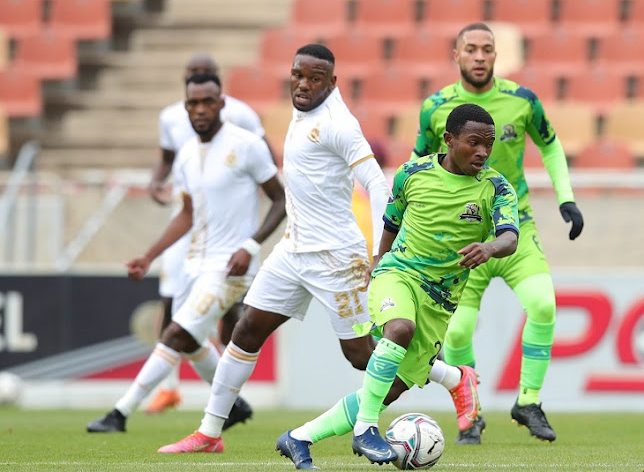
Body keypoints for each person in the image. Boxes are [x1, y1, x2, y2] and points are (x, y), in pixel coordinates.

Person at [157, 44, 482, 455]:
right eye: (297, 75)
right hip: (293, 249)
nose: (303, 84)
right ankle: (209, 433)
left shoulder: (338, 124)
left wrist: (382, 254)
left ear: (332, 82)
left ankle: (453, 377)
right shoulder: (302, 108)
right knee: (246, 330)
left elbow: (378, 185)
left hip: (336, 258)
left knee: (362, 356)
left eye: (314, 78)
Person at [276, 103, 519, 470]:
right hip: (399, 274)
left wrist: (488, 247)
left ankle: (299, 437)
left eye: (489, 144)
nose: (483, 152)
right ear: (449, 140)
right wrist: (378, 263)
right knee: (399, 328)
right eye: (474, 143)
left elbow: (510, 238)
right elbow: (391, 221)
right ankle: (366, 429)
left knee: (389, 389)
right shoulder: (412, 173)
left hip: (440, 300)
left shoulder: (497, 188)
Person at [86, 72, 286, 433]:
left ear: (222, 104)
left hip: (230, 267)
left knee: (175, 333)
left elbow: (279, 199)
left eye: (208, 101)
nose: (200, 109)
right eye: (193, 103)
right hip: (194, 262)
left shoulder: (246, 144)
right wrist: (149, 256)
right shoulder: (187, 154)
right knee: (191, 340)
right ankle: (233, 405)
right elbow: (186, 214)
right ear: (185, 106)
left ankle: (119, 413)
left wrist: (251, 245)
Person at [413, 22, 585, 444]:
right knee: (455, 332)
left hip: (515, 229)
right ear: (456, 55)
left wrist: (566, 197)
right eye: (469, 49)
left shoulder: (522, 100)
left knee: (543, 304)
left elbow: (551, 145)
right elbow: (417, 168)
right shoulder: (435, 107)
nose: (478, 56)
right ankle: (469, 413)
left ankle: (528, 401)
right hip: (462, 237)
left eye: (486, 49)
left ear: (495, 55)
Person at [145, 53, 275, 414]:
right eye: (193, 78)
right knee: (173, 304)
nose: (200, 86)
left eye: (208, 79)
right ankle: (170, 387)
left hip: (229, 231)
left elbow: (266, 162)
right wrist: (156, 183)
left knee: (226, 318)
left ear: (220, 88)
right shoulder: (171, 117)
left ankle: (225, 395)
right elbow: (166, 160)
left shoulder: (243, 116)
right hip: (187, 221)